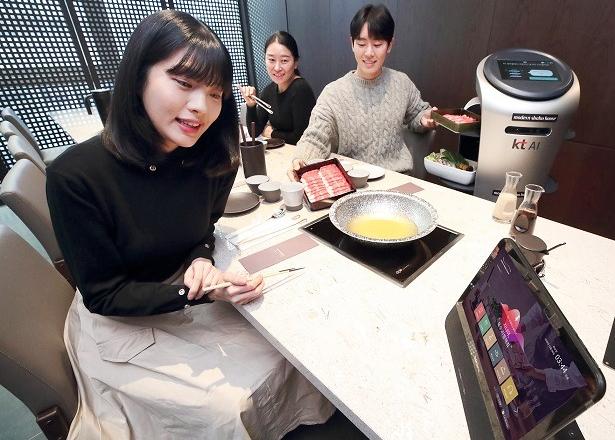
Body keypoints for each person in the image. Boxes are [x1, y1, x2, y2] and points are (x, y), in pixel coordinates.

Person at [46, 10, 333, 439]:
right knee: (229, 404)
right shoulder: (75, 176)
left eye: (215, 93)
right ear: (138, 77)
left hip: (184, 292)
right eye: (183, 83)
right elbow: (104, 293)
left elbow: (203, 229)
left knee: (294, 346)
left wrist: (201, 259)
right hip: (122, 317)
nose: (201, 107)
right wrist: (195, 291)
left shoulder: (211, 157)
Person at [291, 3, 436, 176]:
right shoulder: (334, 93)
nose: (368, 53)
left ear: (390, 45)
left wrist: (425, 119)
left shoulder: (401, 83)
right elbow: (315, 137)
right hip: (353, 180)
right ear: (352, 43)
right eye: (361, 44)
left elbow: (418, 113)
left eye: (377, 44)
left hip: (398, 179)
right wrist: (302, 159)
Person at [239, 31, 316, 145]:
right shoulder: (269, 91)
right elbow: (254, 132)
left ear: (295, 63)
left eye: (284, 61)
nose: (277, 68)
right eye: (271, 60)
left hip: (301, 153)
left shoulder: (300, 89)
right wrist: (251, 105)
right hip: (283, 152)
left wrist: (271, 133)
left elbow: (301, 137)